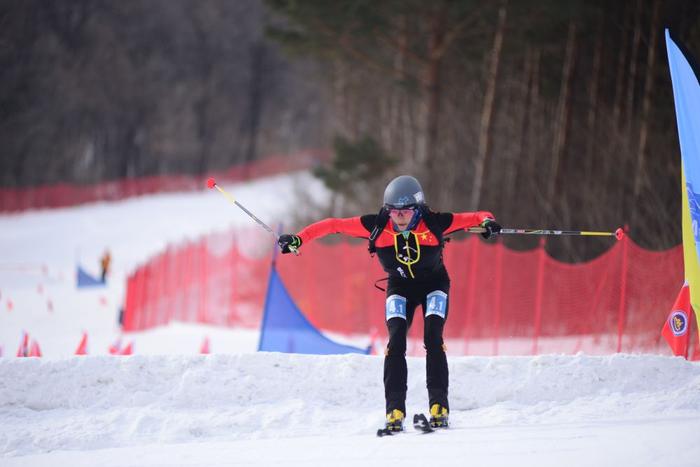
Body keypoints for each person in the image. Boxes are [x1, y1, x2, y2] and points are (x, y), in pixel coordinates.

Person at [277, 175, 500, 432]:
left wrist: (488, 223)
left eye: (405, 212)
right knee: (395, 342)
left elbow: (478, 216)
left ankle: (439, 405)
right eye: (393, 211)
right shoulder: (377, 225)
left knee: (433, 337)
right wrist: (298, 239)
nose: (399, 217)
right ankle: (394, 409)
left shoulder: (436, 222)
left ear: (417, 210)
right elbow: (333, 225)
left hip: (434, 285)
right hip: (400, 287)